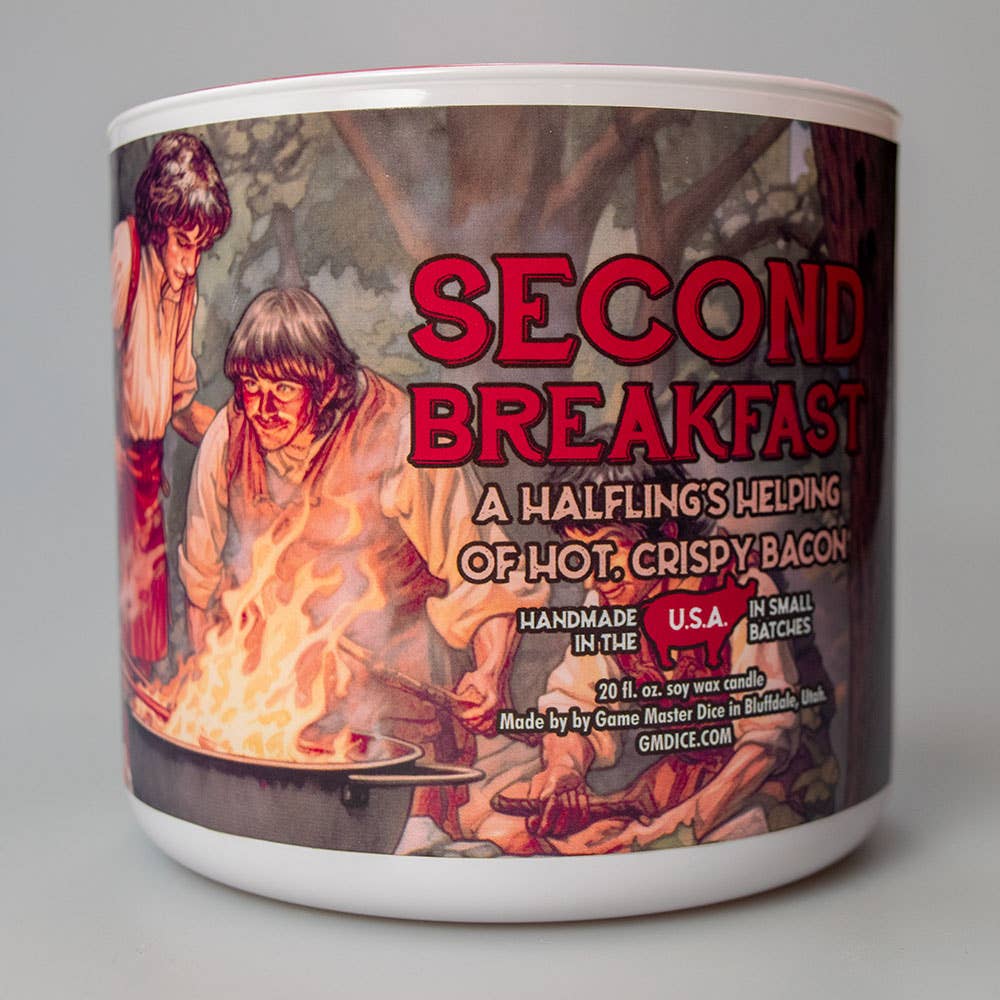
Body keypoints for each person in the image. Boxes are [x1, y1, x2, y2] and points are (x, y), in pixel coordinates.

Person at [174, 287, 547, 836]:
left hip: (398, 707)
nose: (262, 408)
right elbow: (202, 586)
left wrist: (490, 672)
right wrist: (216, 699)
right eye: (251, 386)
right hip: (278, 706)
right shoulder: (229, 437)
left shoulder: (402, 434)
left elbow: (484, 571)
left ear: (326, 383)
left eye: (283, 388)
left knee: (410, 844)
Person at [489, 447, 835, 854]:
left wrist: (673, 828)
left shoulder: (741, 585)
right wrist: (565, 767)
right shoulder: (612, 600)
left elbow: (768, 740)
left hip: (772, 786)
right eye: (581, 553)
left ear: (666, 534)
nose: (594, 577)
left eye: (610, 547)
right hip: (681, 781)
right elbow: (577, 701)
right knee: (522, 836)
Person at [113, 132, 231, 681]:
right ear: (159, 223)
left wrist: (240, 436)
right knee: (125, 620)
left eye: (200, 247)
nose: (189, 263)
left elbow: (180, 406)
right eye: (184, 242)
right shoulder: (125, 253)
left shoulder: (184, 287)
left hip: (143, 469)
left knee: (147, 627)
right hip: (116, 470)